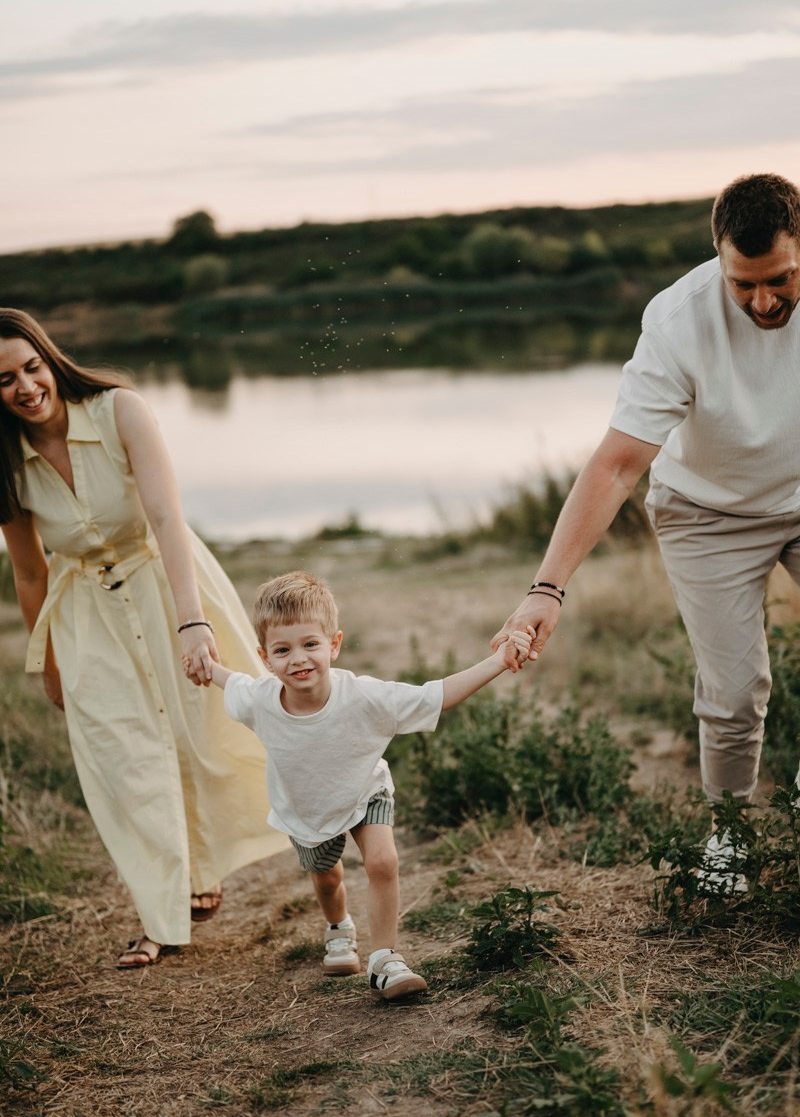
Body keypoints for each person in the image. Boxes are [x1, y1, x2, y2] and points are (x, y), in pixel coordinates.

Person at [493, 172, 800, 885]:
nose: (762, 300)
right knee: (733, 691)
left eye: (781, 279)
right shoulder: (678, 320)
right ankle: (730, 837)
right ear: (718, 259)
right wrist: (547, 588)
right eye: (742, 283)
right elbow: (617, 467)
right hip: (707, 514)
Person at [0, 309, 286, 968]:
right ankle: (161, 917)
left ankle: (214, 864)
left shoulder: (120, 410)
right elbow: (28, 570)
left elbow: (165, 516)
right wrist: (44, 660)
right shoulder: (6, 467)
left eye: (32, 367)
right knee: (123, 756)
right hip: (85, 617)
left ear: (51, 360)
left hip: (164, 586)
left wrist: (194, 623)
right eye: (5, 380)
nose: (25, 387)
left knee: (203, 730)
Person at [192, 570, 532, 1000]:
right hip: (307, 809)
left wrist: (499, 661)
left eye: (310, 644)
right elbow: (231, 681)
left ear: (334, 644)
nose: (298, 659)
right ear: (265, 657)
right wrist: (205, 666)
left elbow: (436, 695)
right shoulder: (259, 700)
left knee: (382, 862)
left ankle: (385, 960)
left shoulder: (364, 697)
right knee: (327, 878)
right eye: (283, 650)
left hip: (366, 791)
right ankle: (339, 927)